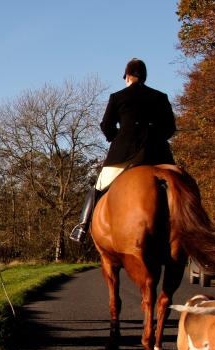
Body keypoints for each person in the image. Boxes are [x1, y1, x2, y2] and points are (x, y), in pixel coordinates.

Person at [69, 58, 177, 242]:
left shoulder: (117, 97)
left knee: (98, 186)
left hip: (125, 154)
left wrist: (118, 137)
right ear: (144, 77)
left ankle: (82, 228)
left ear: (127, 76)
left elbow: (106, 126)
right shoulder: (161, 97)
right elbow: (170, 128)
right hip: (158, 154)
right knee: (180, 185)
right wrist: (154, 138)